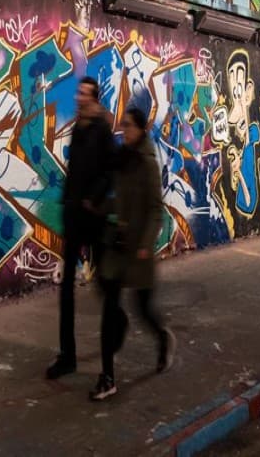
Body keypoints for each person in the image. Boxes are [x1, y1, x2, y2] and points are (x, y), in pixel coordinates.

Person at [90, 107, 176, 401]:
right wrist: (98, 207)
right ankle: (107, 378)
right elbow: (117, 199)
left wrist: (146, 244)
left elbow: (156, 210)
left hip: (138, 250)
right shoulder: (122, 158)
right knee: (109, 310)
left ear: (140, 129)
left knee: (144, 310)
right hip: (117, 247)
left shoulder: (147, 163)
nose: (123, 130)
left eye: (128, 126)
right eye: (123, 125)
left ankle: (162, 337)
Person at [46, 76, 116, 380]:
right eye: (79, 93)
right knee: (66, 290)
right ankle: (67, 356)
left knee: (103, 285)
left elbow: (109, 172)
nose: (79, 97)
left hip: (94, 217)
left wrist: (92, 199)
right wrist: (69, 204)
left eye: (85, 94)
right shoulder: (78, 128)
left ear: (94, 98)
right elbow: (74, 172)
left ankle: (116, 330)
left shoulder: (101, 130)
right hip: (75, 216)